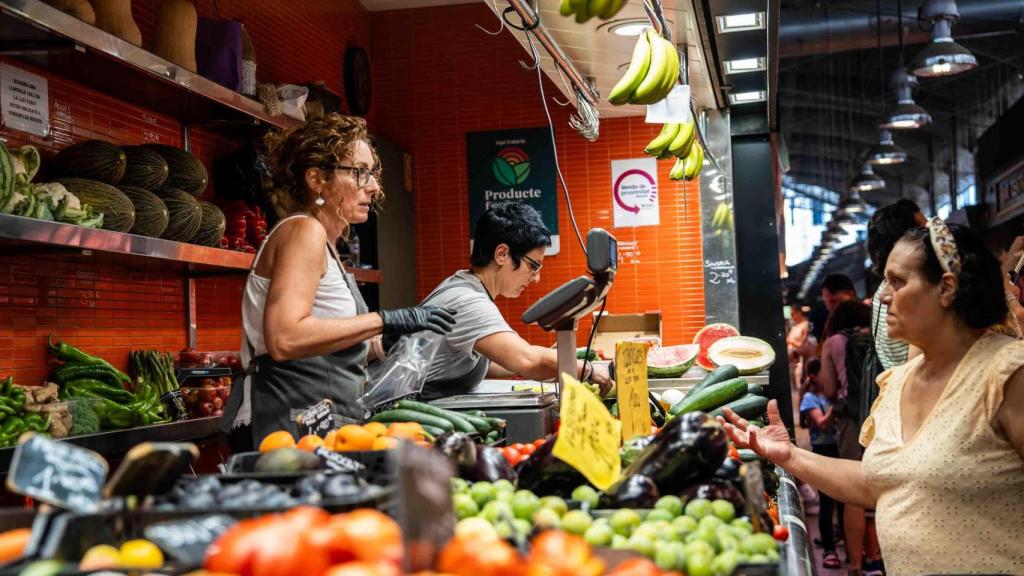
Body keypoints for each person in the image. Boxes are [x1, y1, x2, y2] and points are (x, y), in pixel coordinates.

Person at [718, 219, 1024, 576]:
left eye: (897, 281)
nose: (882, 295)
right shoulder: (898, 381)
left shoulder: (1004, 375)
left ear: (946, 288)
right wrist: (790, 456)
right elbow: (880, 483)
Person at [222, 114, 456, 449]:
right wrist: (384, 319)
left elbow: (335, 346)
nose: (373, 187)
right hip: (286, 428)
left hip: (320, 426)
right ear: (317, 179)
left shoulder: (329, 245)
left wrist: (391, 337)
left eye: (373, 173)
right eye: (359, 172)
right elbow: (284, 337)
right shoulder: (304, 231)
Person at [416, 202, 612, 400]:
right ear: (502, 254)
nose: (536, 278)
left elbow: (486, 363)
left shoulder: (467, 287)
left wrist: (552, 363)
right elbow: (526, 359)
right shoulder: (466, 301)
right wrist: (587, 370)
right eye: (533, 266)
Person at [817, 299, 880, 575]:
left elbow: (829, 389)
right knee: (884, 483)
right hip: (884, 415)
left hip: (852, 421)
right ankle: (877, 557)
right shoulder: (880, 337)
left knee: (853, 487)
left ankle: (855, 564)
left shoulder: (834, 342)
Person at [866, 199, 926, 369]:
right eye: (924, 230)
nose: (933, 235)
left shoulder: (882, 290)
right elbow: (919, 364)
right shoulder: (909, 291)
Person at [799, 357, 841, 570]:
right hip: (823, 450)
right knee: (827, 501)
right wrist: (837, 407)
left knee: (842, 501)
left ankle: (838, 537)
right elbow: (822, 425)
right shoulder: (809, 398)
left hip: (838, 449)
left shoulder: (830, 394)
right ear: (815, 376)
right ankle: (829, 550)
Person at [809, 274, 858, 343]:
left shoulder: (866, 318)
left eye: (834, 301)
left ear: (850, 295)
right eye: (826, 302)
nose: (829, 307)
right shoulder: (828, 321)